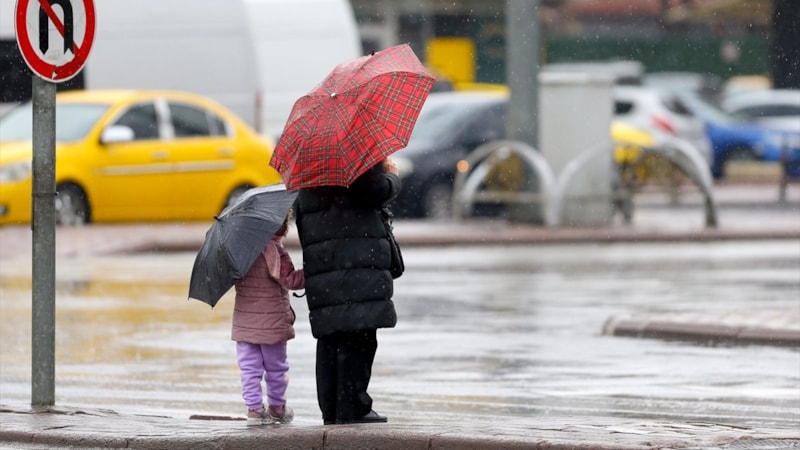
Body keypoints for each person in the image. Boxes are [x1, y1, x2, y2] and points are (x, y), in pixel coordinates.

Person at [294, 158, 401, 425]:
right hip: (359, 261)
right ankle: (353, 407)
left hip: (325, 263)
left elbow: (302, 219)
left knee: (331, 337)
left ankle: (331, 408)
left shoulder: (309, 166)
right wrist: (392, 177)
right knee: (360, 335)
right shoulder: (357, 158)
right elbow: (374, 190)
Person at [232, 211, 304, 426]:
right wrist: (311, 272)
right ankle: (277, 407)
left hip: (244, 324)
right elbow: (291, 281)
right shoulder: (275, 251)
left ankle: (254, 410)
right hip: (272, 323)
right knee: (276, 368)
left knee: (249, 368)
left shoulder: (239, 252)